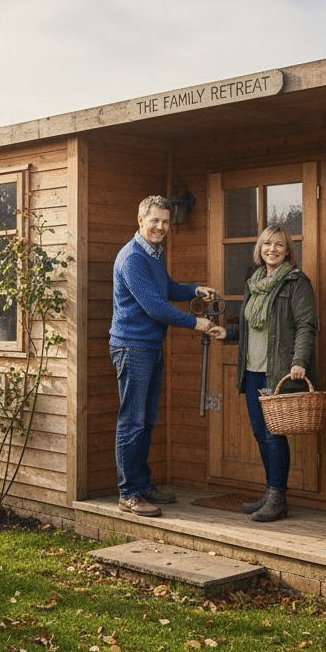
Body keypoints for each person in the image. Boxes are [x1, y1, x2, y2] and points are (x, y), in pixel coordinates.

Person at [111, 195, 225, 518]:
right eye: (155, 221)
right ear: (140, 220)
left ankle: (142, 483)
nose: (161, 227)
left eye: (165, 222)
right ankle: (129, 493)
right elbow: (155, 307)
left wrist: (193, 290)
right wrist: (198, 323)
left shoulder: (154, 253)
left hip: (148, 346)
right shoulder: (132, 258)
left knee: (146, 420)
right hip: (132, 347)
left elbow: (166, 289)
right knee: (132, 420)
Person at [223, 224, 318, 522]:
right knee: (258, 432)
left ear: (288, 250)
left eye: (279, 245)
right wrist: (225, 333)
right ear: (259, 249)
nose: (272, 249)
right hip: (252, 370)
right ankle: (270, 491)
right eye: (267, 244)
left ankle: (279, 498)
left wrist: (299, 360)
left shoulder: (296, 282)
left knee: (273, 435)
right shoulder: (254, 283)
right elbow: (254, 328)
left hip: (278, 370)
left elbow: (307, 325)